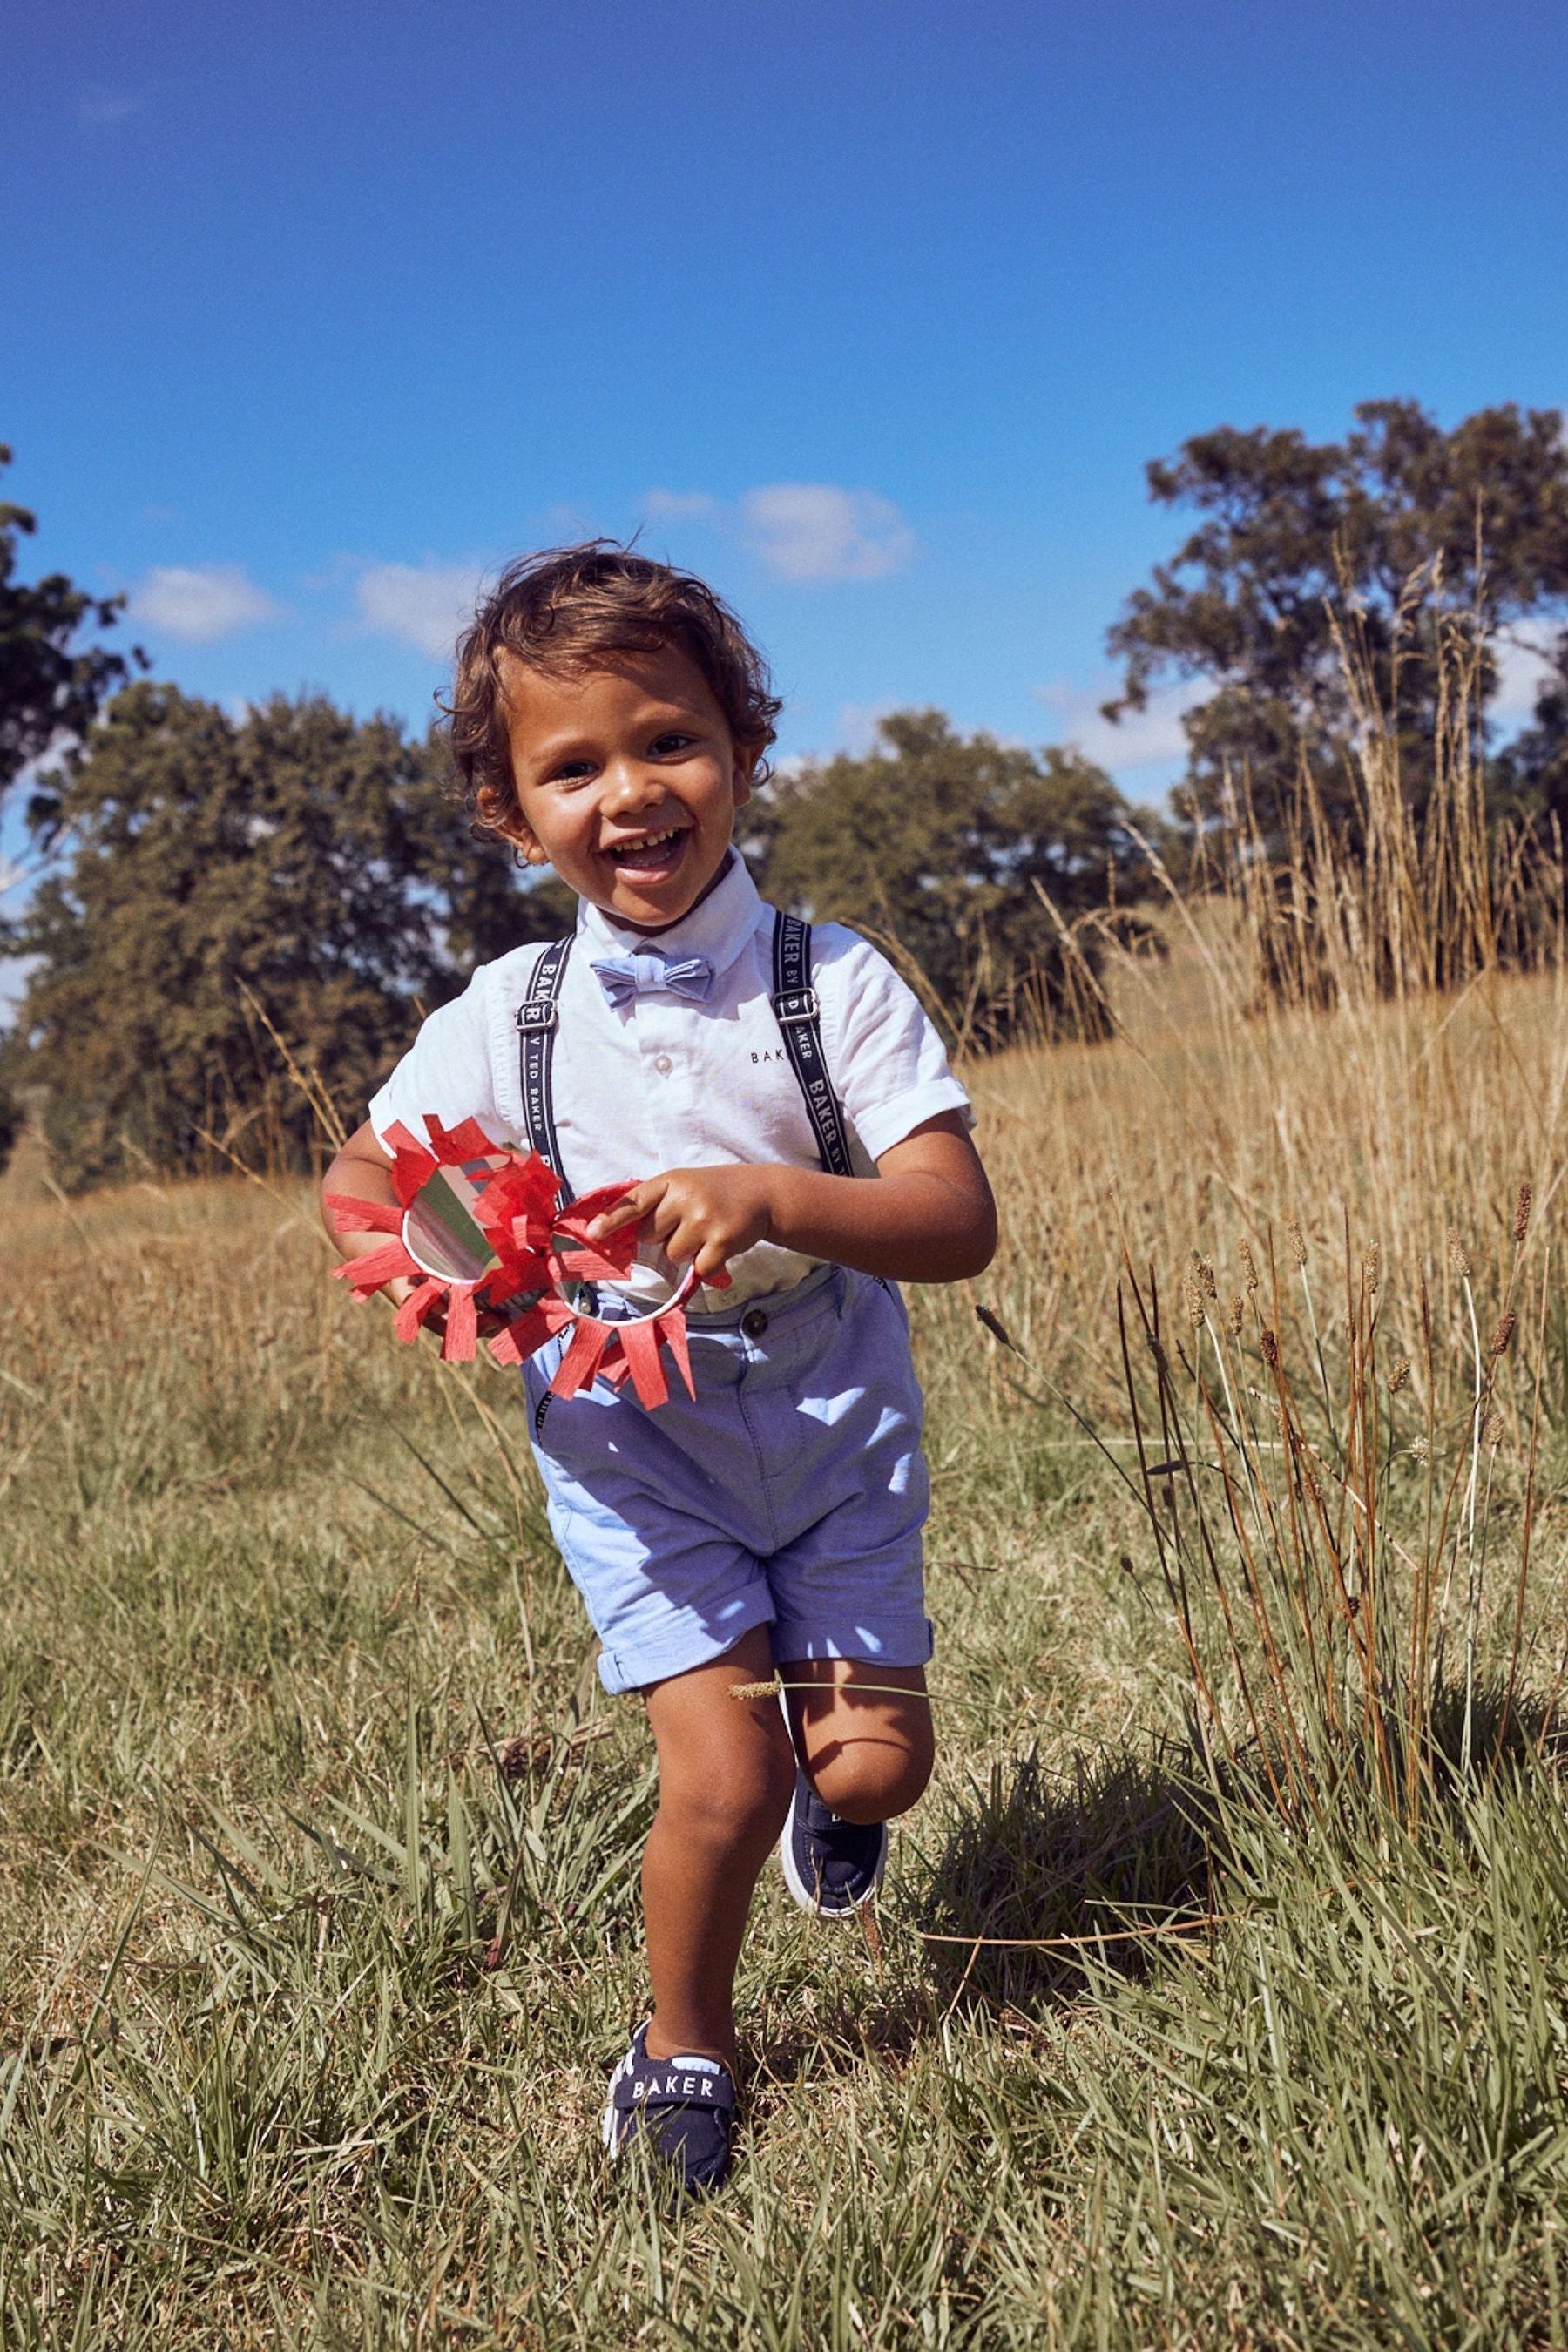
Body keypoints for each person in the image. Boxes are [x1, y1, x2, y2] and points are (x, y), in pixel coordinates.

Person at [321, 545, 997, 2193]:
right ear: (510, 809)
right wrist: (453, 1255)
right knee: (724, 1764)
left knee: (873, 1764)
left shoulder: (830, 982)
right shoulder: (509, 1014)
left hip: (833, 1411)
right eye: (573, 766)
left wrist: (778, 1200)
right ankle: (684, 2050)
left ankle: (841, 1801)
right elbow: (364, 1179)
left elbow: (955, 1217)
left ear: (743, 749)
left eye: (668, 741)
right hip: (636, 1440)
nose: (630, 792)